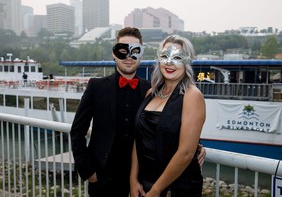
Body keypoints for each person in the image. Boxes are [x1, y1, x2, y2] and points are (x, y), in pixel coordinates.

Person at [70, 27, 206, 197]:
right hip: (104, 180)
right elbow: (77, 130)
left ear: (142, 55)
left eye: (135, 51)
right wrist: (88, 171)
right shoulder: (97, 87)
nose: (128, 56)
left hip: (142, 182)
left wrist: (196, 148)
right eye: (122, 50)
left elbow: (176, 125)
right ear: (114, 54)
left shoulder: (150, 90)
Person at [130, 35, 206, 197]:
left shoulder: (192, 96)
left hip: (176, 187)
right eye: (165, 56)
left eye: (177, 57)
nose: (169, 62)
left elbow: (186, 153)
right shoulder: (151, 93)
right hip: (145, 184)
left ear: (187, 61)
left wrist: (157, 190)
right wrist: (133, 179)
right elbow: (139, 139)